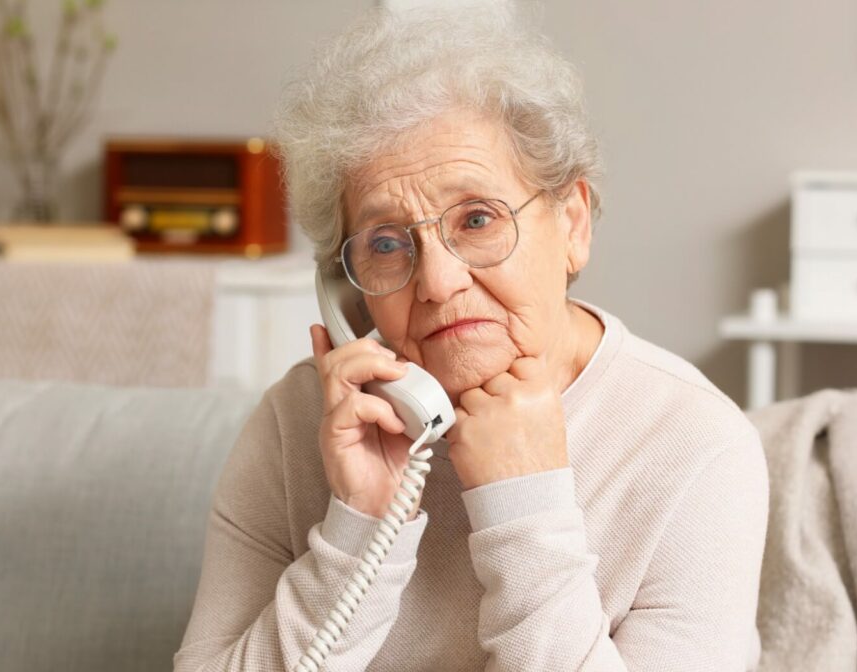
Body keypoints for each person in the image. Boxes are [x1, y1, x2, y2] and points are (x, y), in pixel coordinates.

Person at [174, 4, 768, 671]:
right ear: (346, 285)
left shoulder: (696, 448)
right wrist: (360, 526)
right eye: (387, 243)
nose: (436, 281)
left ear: (572, 223)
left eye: (477, 219)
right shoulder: (298, 424)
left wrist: (525, 510)